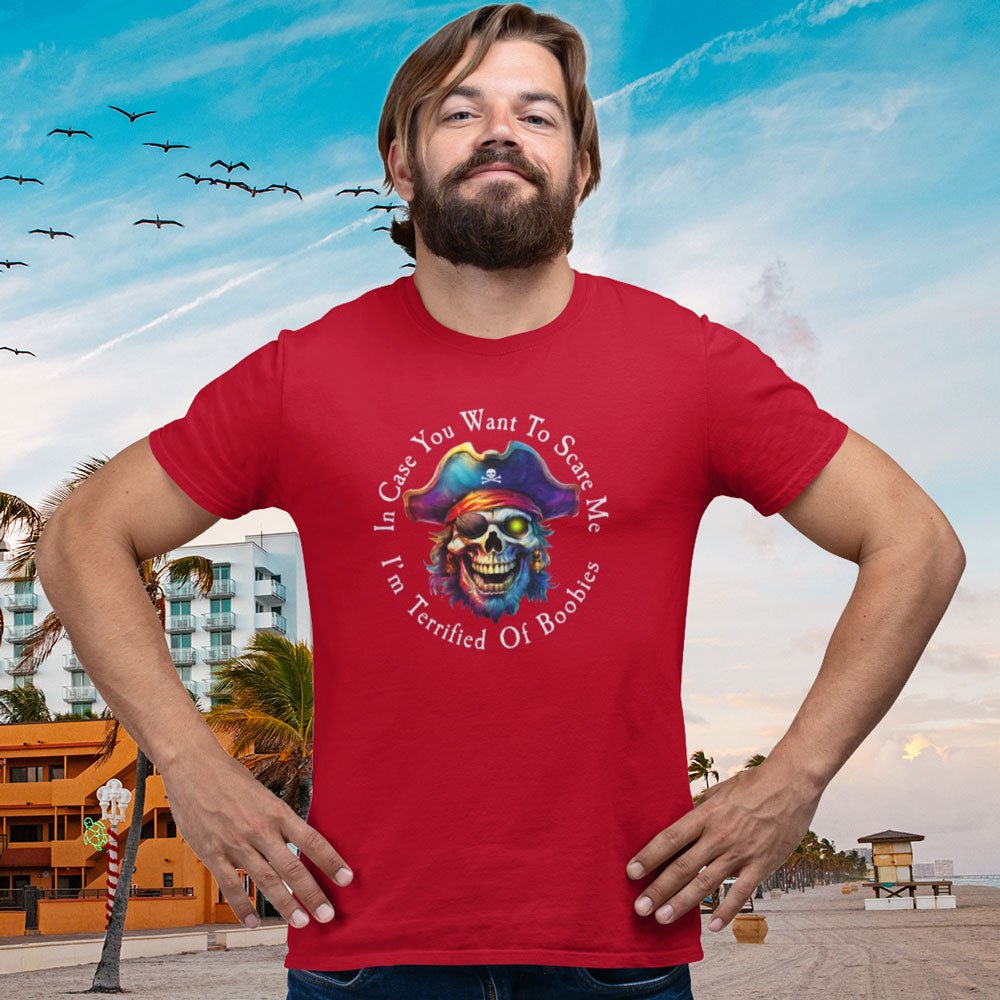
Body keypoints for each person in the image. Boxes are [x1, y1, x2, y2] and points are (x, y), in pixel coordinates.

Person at [35, 5, 965, 999]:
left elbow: (914, 541)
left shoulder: (690, 367)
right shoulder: (301, 378)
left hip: (618, 943)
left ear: (582, 169)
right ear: (399, 164)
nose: (500, 132)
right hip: (366, 947)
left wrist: (791, 781)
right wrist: (192, 766)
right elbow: (83, 535)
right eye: (459, 111)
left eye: (537, 114)